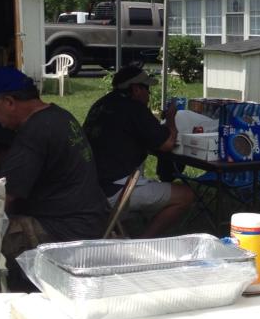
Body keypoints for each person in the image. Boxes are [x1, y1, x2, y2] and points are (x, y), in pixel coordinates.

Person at [0, 67, 108, 284]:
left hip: (65, 228)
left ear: (9, 101)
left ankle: (13, 293)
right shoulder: (58, 115)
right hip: (88, 215)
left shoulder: (34, 132)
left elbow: (4, 196)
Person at [83, 65, 193, 238]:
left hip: (90, 187)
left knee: (156, 187)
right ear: (135, 89)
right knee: (185, 195)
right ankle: (143, 242)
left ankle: (131, 229)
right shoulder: (134, 108)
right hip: (116, 191)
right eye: (147, 88)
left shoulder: (101, 104)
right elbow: (167, 144)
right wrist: (171, 117)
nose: (149, 94)